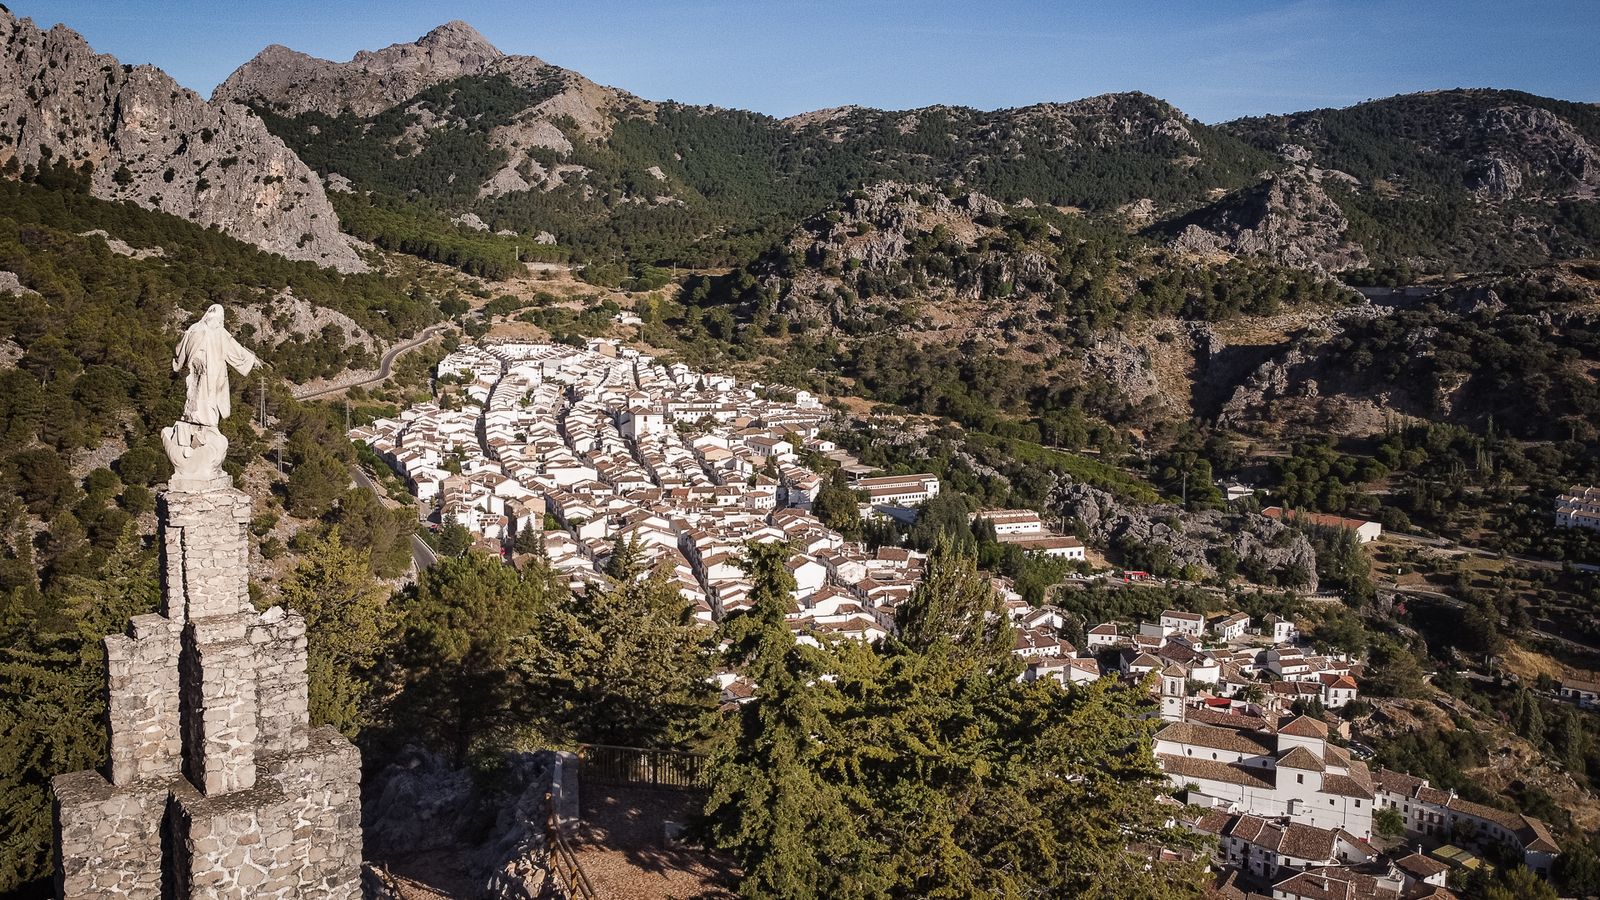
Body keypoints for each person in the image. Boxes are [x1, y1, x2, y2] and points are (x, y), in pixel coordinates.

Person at [174, 304, 258, 426]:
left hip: (198, 369)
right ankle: (205, 419)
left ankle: (194, 415)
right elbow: (235, 350)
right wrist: (251, 359)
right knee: (209, 395)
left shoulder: (194, 328)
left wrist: (181, 361)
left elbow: (180, 349)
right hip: (213, 370)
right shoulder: (218, 331)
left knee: (197, 391)